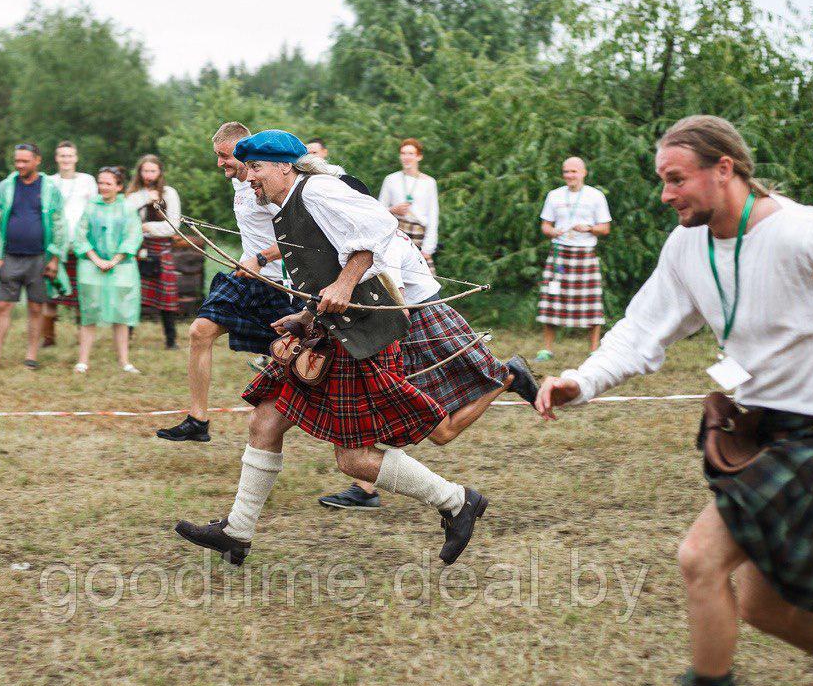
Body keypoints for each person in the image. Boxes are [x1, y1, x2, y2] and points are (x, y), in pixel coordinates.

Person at [537, 115, 813, 686]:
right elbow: (641, 329)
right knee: (763, 607)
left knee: (700, 559)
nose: (666, 194)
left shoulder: (807, 234)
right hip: (763, 437)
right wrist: (582, 380)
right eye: (662, 180)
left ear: (725, 169)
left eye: (676, 179)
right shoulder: (687, 244)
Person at [174, 130, 488, 568]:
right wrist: (303, 317)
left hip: (361, 337)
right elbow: (323, 261)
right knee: (265, 420)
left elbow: (380, 228)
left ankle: (457, 501)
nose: (249, 179)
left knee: (354, 459)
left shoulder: (317, 189)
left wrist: (344, 284)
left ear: (285, 166)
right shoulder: (284, 205)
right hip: (327, 330)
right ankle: (237, 531)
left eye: (257, 169)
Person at [317, 227, 540, 509]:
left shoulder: (378, 243)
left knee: (440, 432)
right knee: (387, 413)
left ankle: (507, 378)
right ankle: (365, 489)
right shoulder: (370, 236)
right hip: (412, 325)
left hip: (419, 326)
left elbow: (397, 309)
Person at [155, 122, 301, 443]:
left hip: (281, 287)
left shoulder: (271, 184)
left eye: (224, 156)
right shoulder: (240, 183)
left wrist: (262, 258)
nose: (220, 163)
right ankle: (198, 420)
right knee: (199, 332)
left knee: (297, 364)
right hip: (245, 278)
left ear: (242, 151)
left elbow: (303, 235)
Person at [0, 143, 68, 370]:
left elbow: (60, 224)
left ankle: (31, 355)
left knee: (36, 307)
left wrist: (55, 258)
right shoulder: (6, 187)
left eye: (25, 161)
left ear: (37, 160)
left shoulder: (50, 188)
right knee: (2, 305)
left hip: (40, 257)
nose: (20, 165)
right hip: (9, 256)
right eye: (17, 161)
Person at [535, 156, 612, 358]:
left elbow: (605, 228)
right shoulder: (554, 196)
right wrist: (552, 232)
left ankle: (594, 350)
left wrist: (589, 228)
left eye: (574, 171)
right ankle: (547, 349)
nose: (569, 175)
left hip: (585, 253)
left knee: (592, 302)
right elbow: (545, 225)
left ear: (583, 173)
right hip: (560, 253)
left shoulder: (595, 196)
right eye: (566, 171)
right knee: (552, 300)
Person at [73, 167, 142, 374]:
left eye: (108, 183)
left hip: (121, 267)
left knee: (121, 313)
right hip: (91, 266)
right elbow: (80, 235)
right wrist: (95, 259)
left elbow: (133, 235)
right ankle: (83, 360)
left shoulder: (128, 208)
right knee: (89, 312)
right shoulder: (90, 207)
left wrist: (115, 259)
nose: (102, 187)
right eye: (100, 183)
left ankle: (124, 361)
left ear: (119, 187)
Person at [43, 140, 97, 348]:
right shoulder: (48, 181)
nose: (66, 159)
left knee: (80, 294)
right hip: (55, 246)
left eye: (69, 156)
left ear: (76, 158)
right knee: (50, 293)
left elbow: (93, 210)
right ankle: (48, 338)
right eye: (62, 156)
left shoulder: (87, 181)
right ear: (57, 158)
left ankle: (80, 338)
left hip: (80, 245)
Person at [126, 155, 182, 350]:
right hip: (139, 249)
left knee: (166, 297)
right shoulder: (134, 194)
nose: (148, 175)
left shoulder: (169, 193)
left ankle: (171, 340)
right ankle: (126, 338)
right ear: (140, 173)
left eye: (152, 171)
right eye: (145, 171)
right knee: (134, 294)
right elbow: (126, 215)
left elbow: (173, 226)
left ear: (159, 172)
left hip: (162, 249)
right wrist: (144, 198)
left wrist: (147, 227)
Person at [378, 138, 439, 271]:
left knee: (426, 280)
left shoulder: (429, 182)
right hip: (396, 233)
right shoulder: (391, 179)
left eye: (411, 154)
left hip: (418, 234)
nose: (406, 157)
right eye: (403, 153)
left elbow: (433, 216)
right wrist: (393, 209)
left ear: (419, 156)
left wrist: (428, 248)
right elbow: (379, 211)